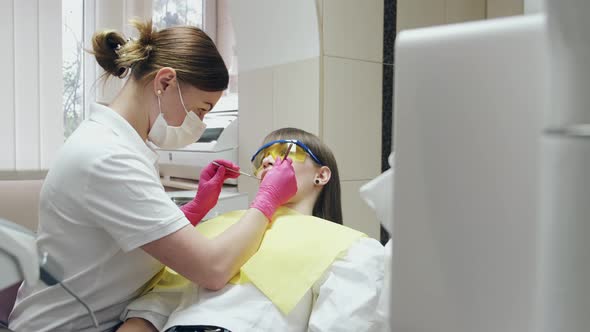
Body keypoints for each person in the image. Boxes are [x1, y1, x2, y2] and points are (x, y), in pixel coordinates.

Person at [8, 21, 297, 332]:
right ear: (165, 82)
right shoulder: (107, 156)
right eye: (200, 110)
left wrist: (196, 208)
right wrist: (267, 199)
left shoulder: (118, 143)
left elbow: (135, 238)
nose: (198, 123)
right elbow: (213, 269)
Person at [118, 128, 386, 332]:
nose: (268, 160)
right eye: (261, 159)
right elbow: (150, 309)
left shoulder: (348, 247)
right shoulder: (218, 230)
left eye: (285, 152)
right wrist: (197, 208)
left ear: (321, 175)